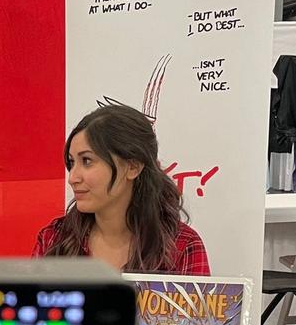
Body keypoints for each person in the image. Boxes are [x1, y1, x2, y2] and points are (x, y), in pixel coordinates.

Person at [32, 102, 210, 275]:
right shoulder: (53, 239)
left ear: (133, 167)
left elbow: (197, 306)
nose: (72, 178)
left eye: (87, 161)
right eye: (72, 162)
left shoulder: (182, 246)